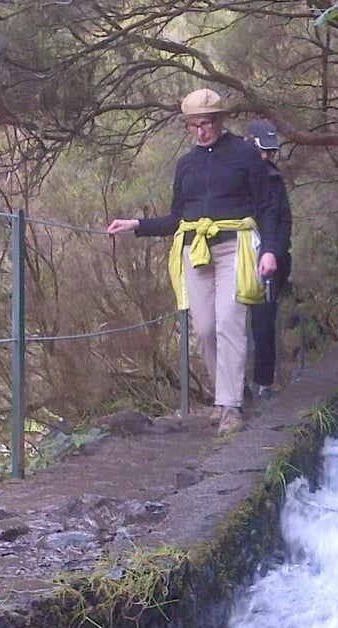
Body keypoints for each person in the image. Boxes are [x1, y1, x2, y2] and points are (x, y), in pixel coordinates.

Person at [107, 89, 282, 435]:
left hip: (236, 246)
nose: (201, 131)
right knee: (204, 329)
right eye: (194, 126)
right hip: (194, 250)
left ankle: (230, 406)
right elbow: (177, 218)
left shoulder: (246, 155)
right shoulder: (186, 164)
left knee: (230, 322)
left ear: (220, 121)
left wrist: (271, 250)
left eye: (206, 124)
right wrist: (137, 226)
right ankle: (224, 395)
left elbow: (267, 209)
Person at [242, 120, 292, 401]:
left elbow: (284, 220)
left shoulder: (275, 181)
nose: (266, 157)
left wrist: (274, 252)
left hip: (269, 263)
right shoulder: (235, 176)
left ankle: (264, 384)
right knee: (231, 327)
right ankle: (235, 389)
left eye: (270, 153)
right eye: (262, 150)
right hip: (235, 258)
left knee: (263, 325)